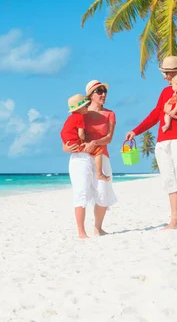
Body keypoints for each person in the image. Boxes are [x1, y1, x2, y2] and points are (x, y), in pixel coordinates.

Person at [125, 56, 177, 230]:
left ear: (176, 72)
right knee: (169, 180)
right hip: (162, 142)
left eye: (166, 73)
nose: (164, 76)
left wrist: (175, 115)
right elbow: (155, 114)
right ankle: (175, 220)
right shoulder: (165, 92)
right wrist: (136, 131)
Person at [62, 80, 118, 238]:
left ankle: (98, 228)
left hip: (101, 156)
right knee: (81, 192)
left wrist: (95, 142)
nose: (103, 94)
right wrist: (65, 147)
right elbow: (68, 134)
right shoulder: (80, 113)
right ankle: (81, 232)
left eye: (104, 91)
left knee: (102, 192)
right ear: (90, 95)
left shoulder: (110, 114)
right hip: (82, 156)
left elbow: (109, 138)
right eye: (99, 91)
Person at [60, 94, 110, 182]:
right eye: (86, 106)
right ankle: (99, 173)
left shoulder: (69, 118)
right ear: (80, 108)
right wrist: (85, 139)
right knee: (98, 151)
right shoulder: (80, 117)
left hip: (68, 141)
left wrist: (66, 144)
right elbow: (81, 134)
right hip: (76, 143)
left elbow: (64, 131)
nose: (87, 107)